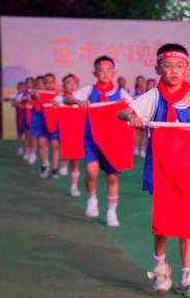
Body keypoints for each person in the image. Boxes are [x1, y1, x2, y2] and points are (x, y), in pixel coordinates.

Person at [118, 43, 190, 296]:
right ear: (158, 69)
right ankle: (160, 265)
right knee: (165, 219)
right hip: (162, 167)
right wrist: (131, 117)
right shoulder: (153, 97)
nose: (173, 71)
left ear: (187, 70)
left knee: (188, 220)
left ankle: (187, 276)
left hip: (188, 169)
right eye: (167, 66)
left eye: (179, 66)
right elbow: (123, 113)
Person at [66, 56, 134, 227]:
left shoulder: (121, 93)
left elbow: (134, 109)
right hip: (92, 139)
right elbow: (67, 99)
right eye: (101, 70)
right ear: (95, 73)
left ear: (114, 72)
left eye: (108, 70)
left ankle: (112, 212)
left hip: (112, 141)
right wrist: (76, 101)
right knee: (92, 172)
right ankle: (92, 198)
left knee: (111, 178)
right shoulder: (89, 90)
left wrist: (126, 107)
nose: (105, 73)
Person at [54, 74, 83, 197]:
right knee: (61, 146)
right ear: (63, 85)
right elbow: (53, 102)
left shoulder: (83, 99)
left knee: (75, 161)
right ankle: (63, 161)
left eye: (74, 83)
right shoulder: (59, 98)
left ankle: (74, 186)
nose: (71, 86)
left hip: (77, 132)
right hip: (64, 132)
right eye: (68, 83)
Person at [131, 76, 148, 158]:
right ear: (136, 82)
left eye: (142, 81)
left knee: (144, 134)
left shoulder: (147, 92)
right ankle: (136, 149)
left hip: (145, 115)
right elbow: (131, 101)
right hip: (137, 114)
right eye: (139, 81)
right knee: (137, 133)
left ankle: (143, 150)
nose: (141, 83)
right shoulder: (133, 91)